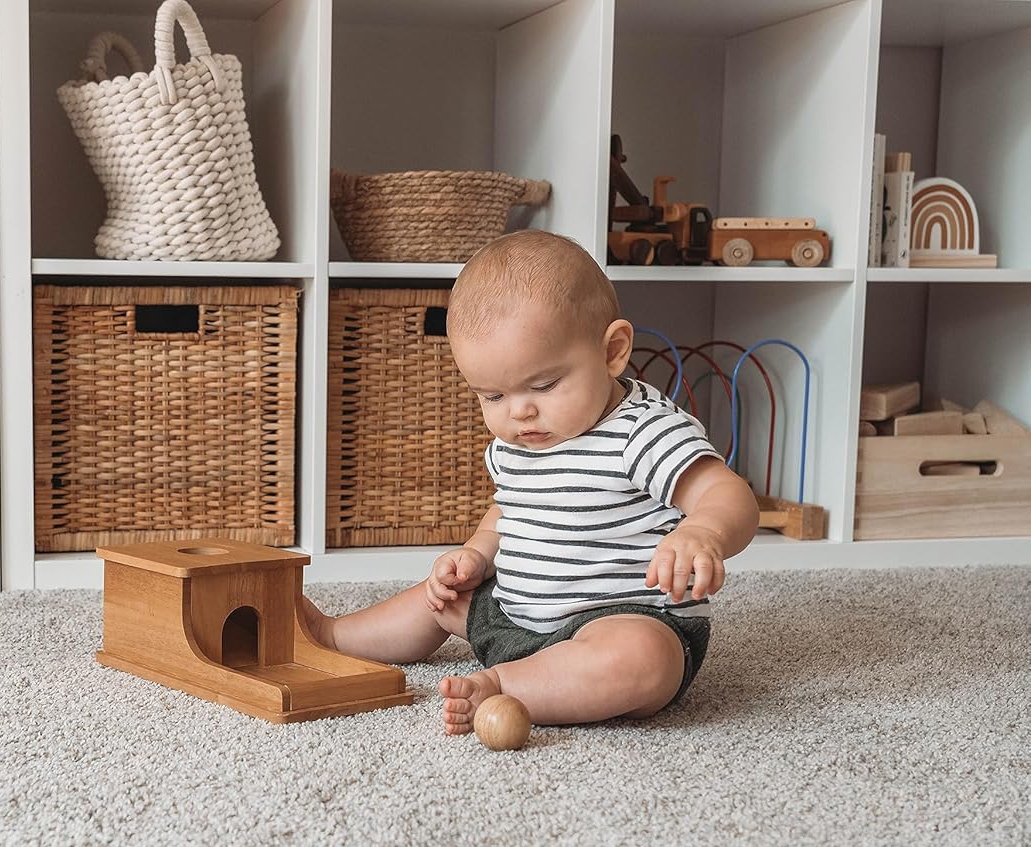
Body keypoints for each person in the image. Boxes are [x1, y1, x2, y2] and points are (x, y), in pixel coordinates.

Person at [303, 229, 760, 733]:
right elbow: (509, 510)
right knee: (437, 598)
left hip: (620, 619)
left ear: (613, 351)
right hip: (514, 616)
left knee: (642, 660)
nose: (519, 411)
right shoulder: (520, 440)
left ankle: (504, 686)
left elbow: (726, 493)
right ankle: (331, 635)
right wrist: (476, 553)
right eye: (491, 397)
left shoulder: (641, 430)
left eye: (544, 385)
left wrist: (703, 533)